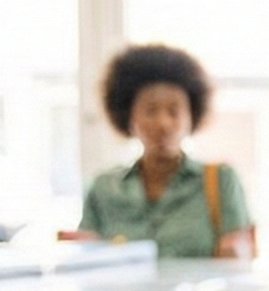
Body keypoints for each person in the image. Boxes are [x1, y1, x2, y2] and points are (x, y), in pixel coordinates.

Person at [80, 44, 256, 259]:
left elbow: (240, 257)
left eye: (174, 111)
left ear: (191, 116)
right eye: (150, 110)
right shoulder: (104, 188)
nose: (163, 123)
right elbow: (84, 259)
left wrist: (238, 250)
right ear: (129, 117)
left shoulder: (220, 180)